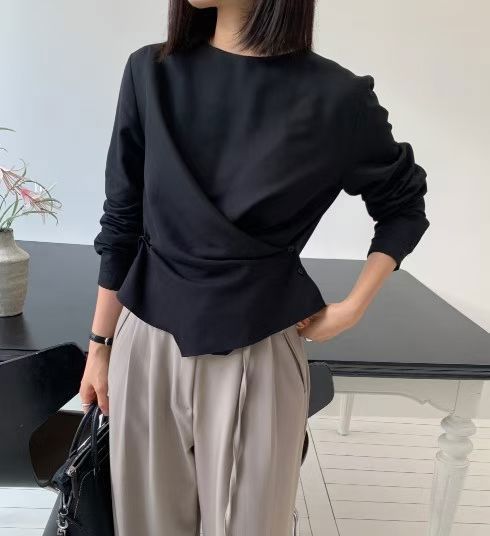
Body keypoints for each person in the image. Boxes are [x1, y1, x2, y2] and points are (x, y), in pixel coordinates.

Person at [80, 1, 430, 534]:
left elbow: (403, 204)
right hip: (145, 343)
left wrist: (353, 308)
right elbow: (121, 221)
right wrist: (100, 346)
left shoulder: (337, 98)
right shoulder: (149, 72)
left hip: (259, 349)